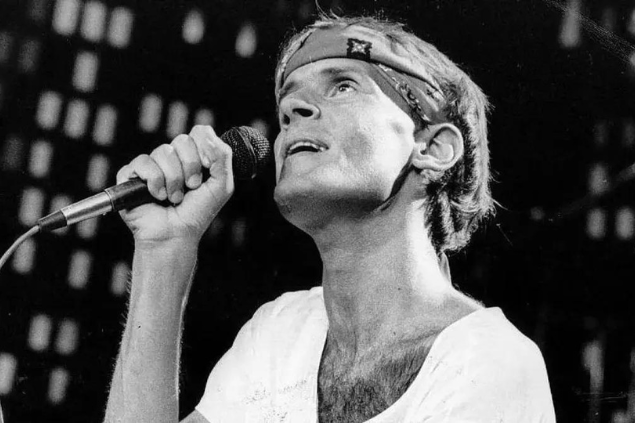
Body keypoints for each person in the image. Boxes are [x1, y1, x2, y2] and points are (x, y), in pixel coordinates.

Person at [104, 14, 555, 423]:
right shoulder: (281, 331)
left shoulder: (488, 361)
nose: (293, 111)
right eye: (287, 105)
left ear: (433, 148)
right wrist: (164, 251)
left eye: (343, 86)